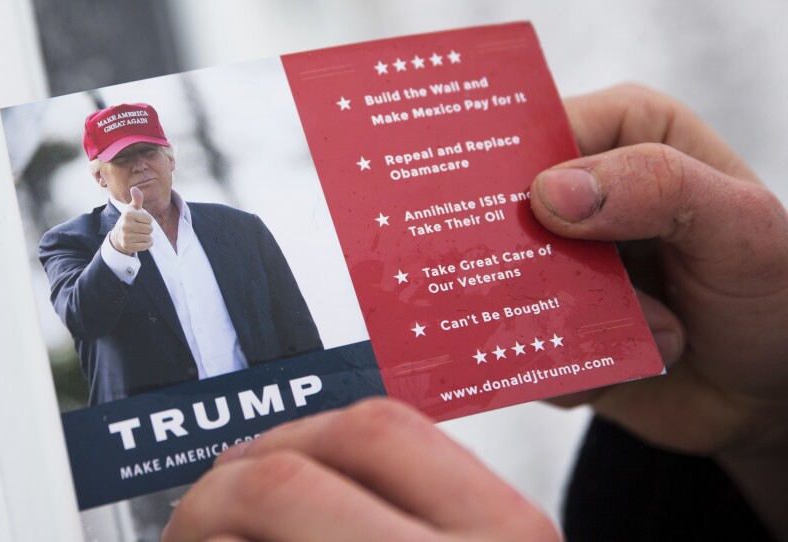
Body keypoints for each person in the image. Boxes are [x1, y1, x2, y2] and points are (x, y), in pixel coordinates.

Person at [160, 85, 788, 541]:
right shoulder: (80, 249)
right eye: (124, 164)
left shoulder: (240, 227)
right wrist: (768, 429)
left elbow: (292, 317)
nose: (141, 175)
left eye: (150, 157)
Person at [39, 103, 323, 405]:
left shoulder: (241, 228)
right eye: (121, 158)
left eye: (149, 151)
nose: (139, 165)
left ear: (170, 158)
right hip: (160, 439)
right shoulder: (69, 241)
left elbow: (298, 333)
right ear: (99, 177)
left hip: (266, 413)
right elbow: (81, 319)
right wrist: (117, 250)